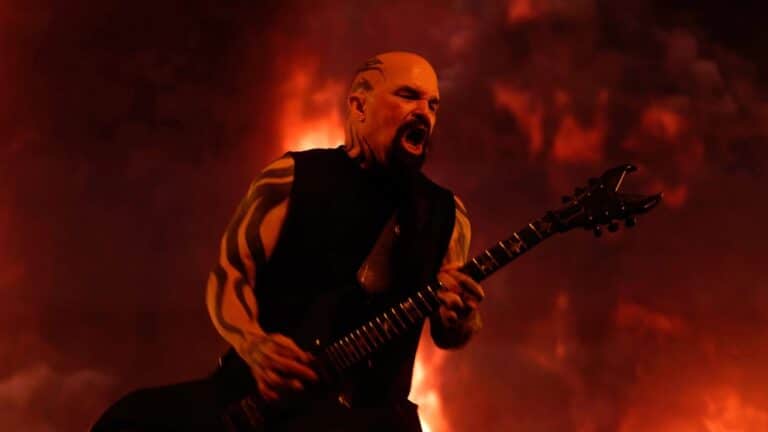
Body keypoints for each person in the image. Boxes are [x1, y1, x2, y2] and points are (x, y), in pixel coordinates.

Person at [91, 51, 484, 432]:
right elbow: (230, 274)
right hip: (257, 406)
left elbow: (449, 332)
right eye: (408, 96)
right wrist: (255, 346)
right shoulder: (291, 178)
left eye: (433, 104)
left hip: (376, 418)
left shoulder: (446, 215)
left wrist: (461, 318)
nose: (424, 112)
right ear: (359, 105)